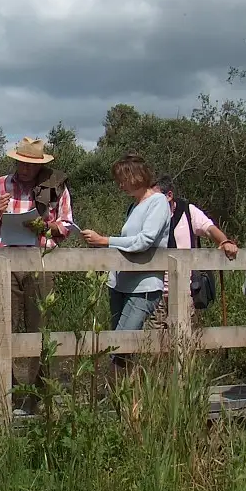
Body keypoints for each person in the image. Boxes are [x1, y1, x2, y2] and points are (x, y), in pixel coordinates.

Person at [0, 137, 73, 412]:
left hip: (40, 262)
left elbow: (66, 226)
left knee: (40, 330)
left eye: (30, 163)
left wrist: (43, 227)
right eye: (21, 162)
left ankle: (39, 399)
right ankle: (5, 397)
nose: (24, 167)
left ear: (39, 165)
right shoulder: (1, 184)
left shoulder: (55, 188)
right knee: (1, 329)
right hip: (4, 262)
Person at [82, 154, 170, 366]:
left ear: (136, 177)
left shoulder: (157, 202)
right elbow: (129, 241)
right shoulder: (134, 206)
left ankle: (120, 392)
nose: (120, 185)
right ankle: (125, 393)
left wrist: (104, 240)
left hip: (144, 285)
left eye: (123, 179)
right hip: (120, 283)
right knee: (119, 344)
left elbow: (145, 240)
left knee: (121, 346)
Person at [147, 174, 239, 327]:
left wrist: (224, 242)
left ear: (169, 195)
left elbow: (209, 229)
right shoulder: (148, 216)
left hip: (185, 289)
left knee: (184, 341)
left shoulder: (187, 211)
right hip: (155, 289)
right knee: (155, 343)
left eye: (155, 198)